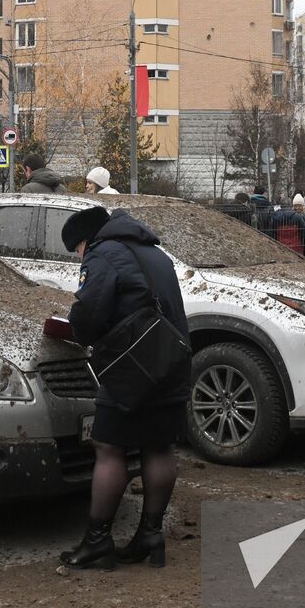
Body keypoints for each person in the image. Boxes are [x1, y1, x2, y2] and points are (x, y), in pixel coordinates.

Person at [60, 206, 188, 570]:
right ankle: (150, 534)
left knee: (109, 447)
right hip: (171, 361)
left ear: (85, 241)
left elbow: (90, 312)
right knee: (159, 446)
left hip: (131, 368)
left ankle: (97, 542)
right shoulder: (155, 252)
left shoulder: (104, 254)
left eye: (78, 251)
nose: (81, 257)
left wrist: (74, 329)